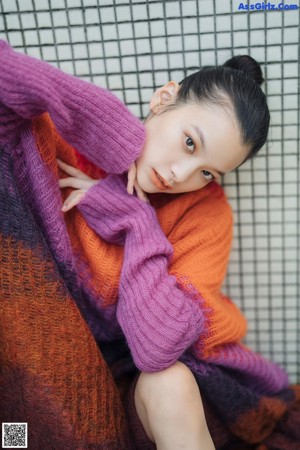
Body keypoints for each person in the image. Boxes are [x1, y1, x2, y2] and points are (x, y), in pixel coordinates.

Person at [0, 40, 299, 450]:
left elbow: (159, 348)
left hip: (167, 391)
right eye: (190, 143)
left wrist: (135, 221)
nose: (181, 175)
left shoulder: (206, 214)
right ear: (163, 99)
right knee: (21, 420)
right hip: (58, 375)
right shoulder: (68, 148)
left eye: (208, 172)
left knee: (168, 380)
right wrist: (113, 135)